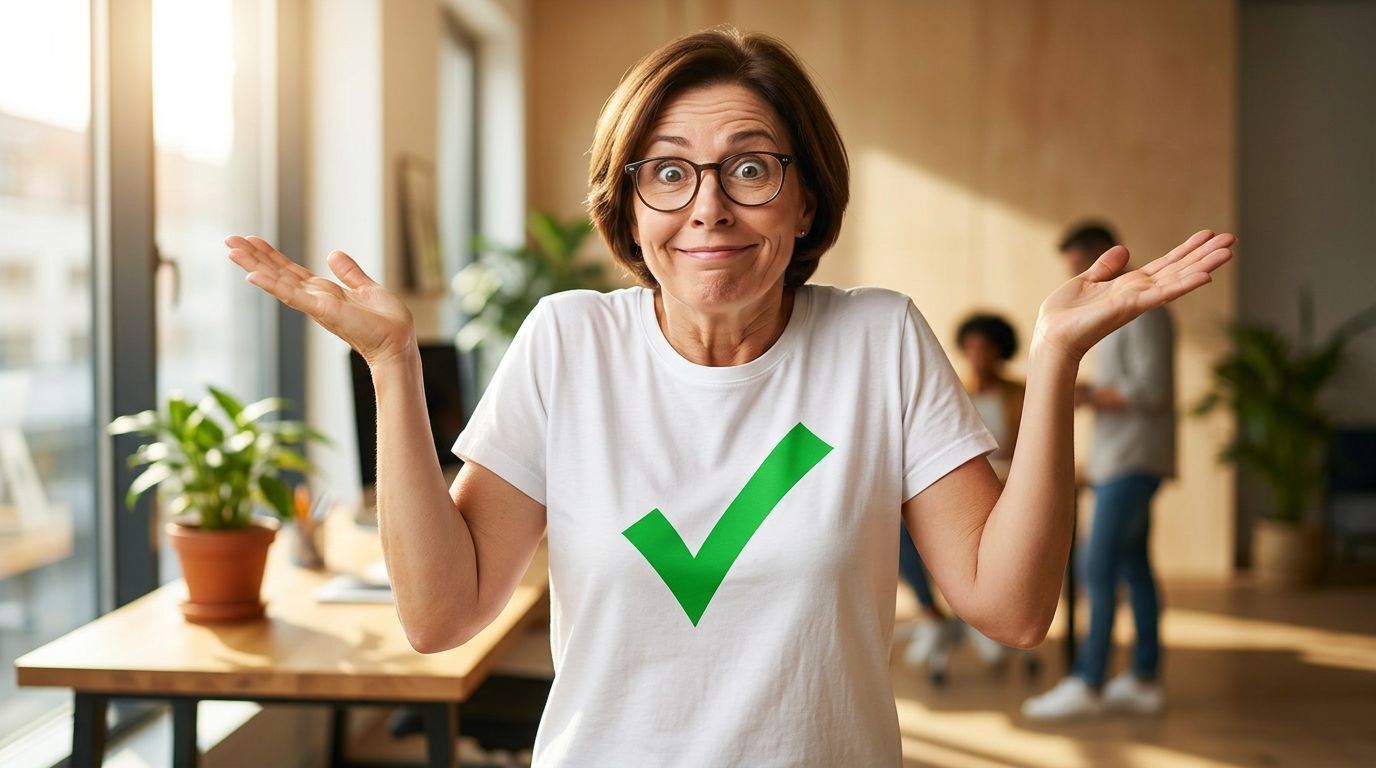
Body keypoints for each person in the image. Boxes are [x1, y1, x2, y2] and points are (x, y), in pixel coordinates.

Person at [226, 29, 1232, 766]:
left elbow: (1010, 611)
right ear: (627, 206)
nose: (707, 205)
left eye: (748, 168)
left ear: (804, 199)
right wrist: (393, 368)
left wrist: (1052, 357)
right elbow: (441, 615)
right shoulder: (569, 344)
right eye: (667, 172)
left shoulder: (876, 340)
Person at [1022, 222, 1178, 721]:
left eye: (1078, 262)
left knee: (1096, 566)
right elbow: (1123, 383)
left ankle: (1088, 682)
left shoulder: (1143, 311)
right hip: (1120, 458)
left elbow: (1149, 391)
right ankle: (1144, 679)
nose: (1077, 275)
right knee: (1133, 568)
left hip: (1134, 460)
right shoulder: (1120, 310)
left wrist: (1084, 394)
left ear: (1100, 254)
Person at [899, 314, 1028, 679]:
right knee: (900, 529)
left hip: (1007, 496)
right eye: (970, 349)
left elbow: (1028, 454)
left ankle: (974, 616)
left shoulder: (1019, 395)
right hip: (957, 494)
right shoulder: (956, 390)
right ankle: (932, 613)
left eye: (984, 349)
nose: (976, 357)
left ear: (999, 352)